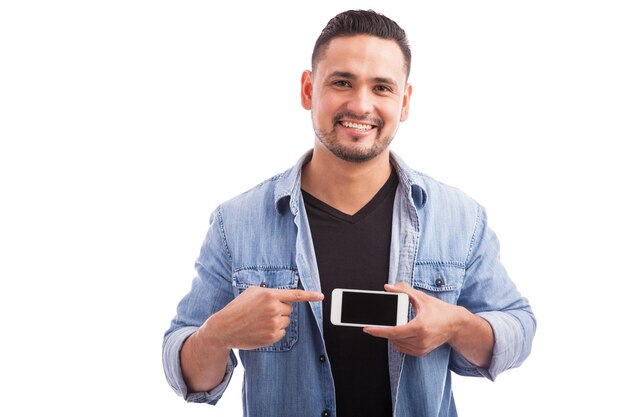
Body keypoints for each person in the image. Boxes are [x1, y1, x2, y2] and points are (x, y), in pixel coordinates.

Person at [162, 9, 536, 417]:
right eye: (342, 82)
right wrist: (217, 335)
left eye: (381, 88)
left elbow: (519, 326)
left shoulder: (460, 218)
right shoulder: (236, 223)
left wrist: (458, 326)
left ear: (404, 101)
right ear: (308, 90)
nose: (361, 105)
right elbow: (185, 372)